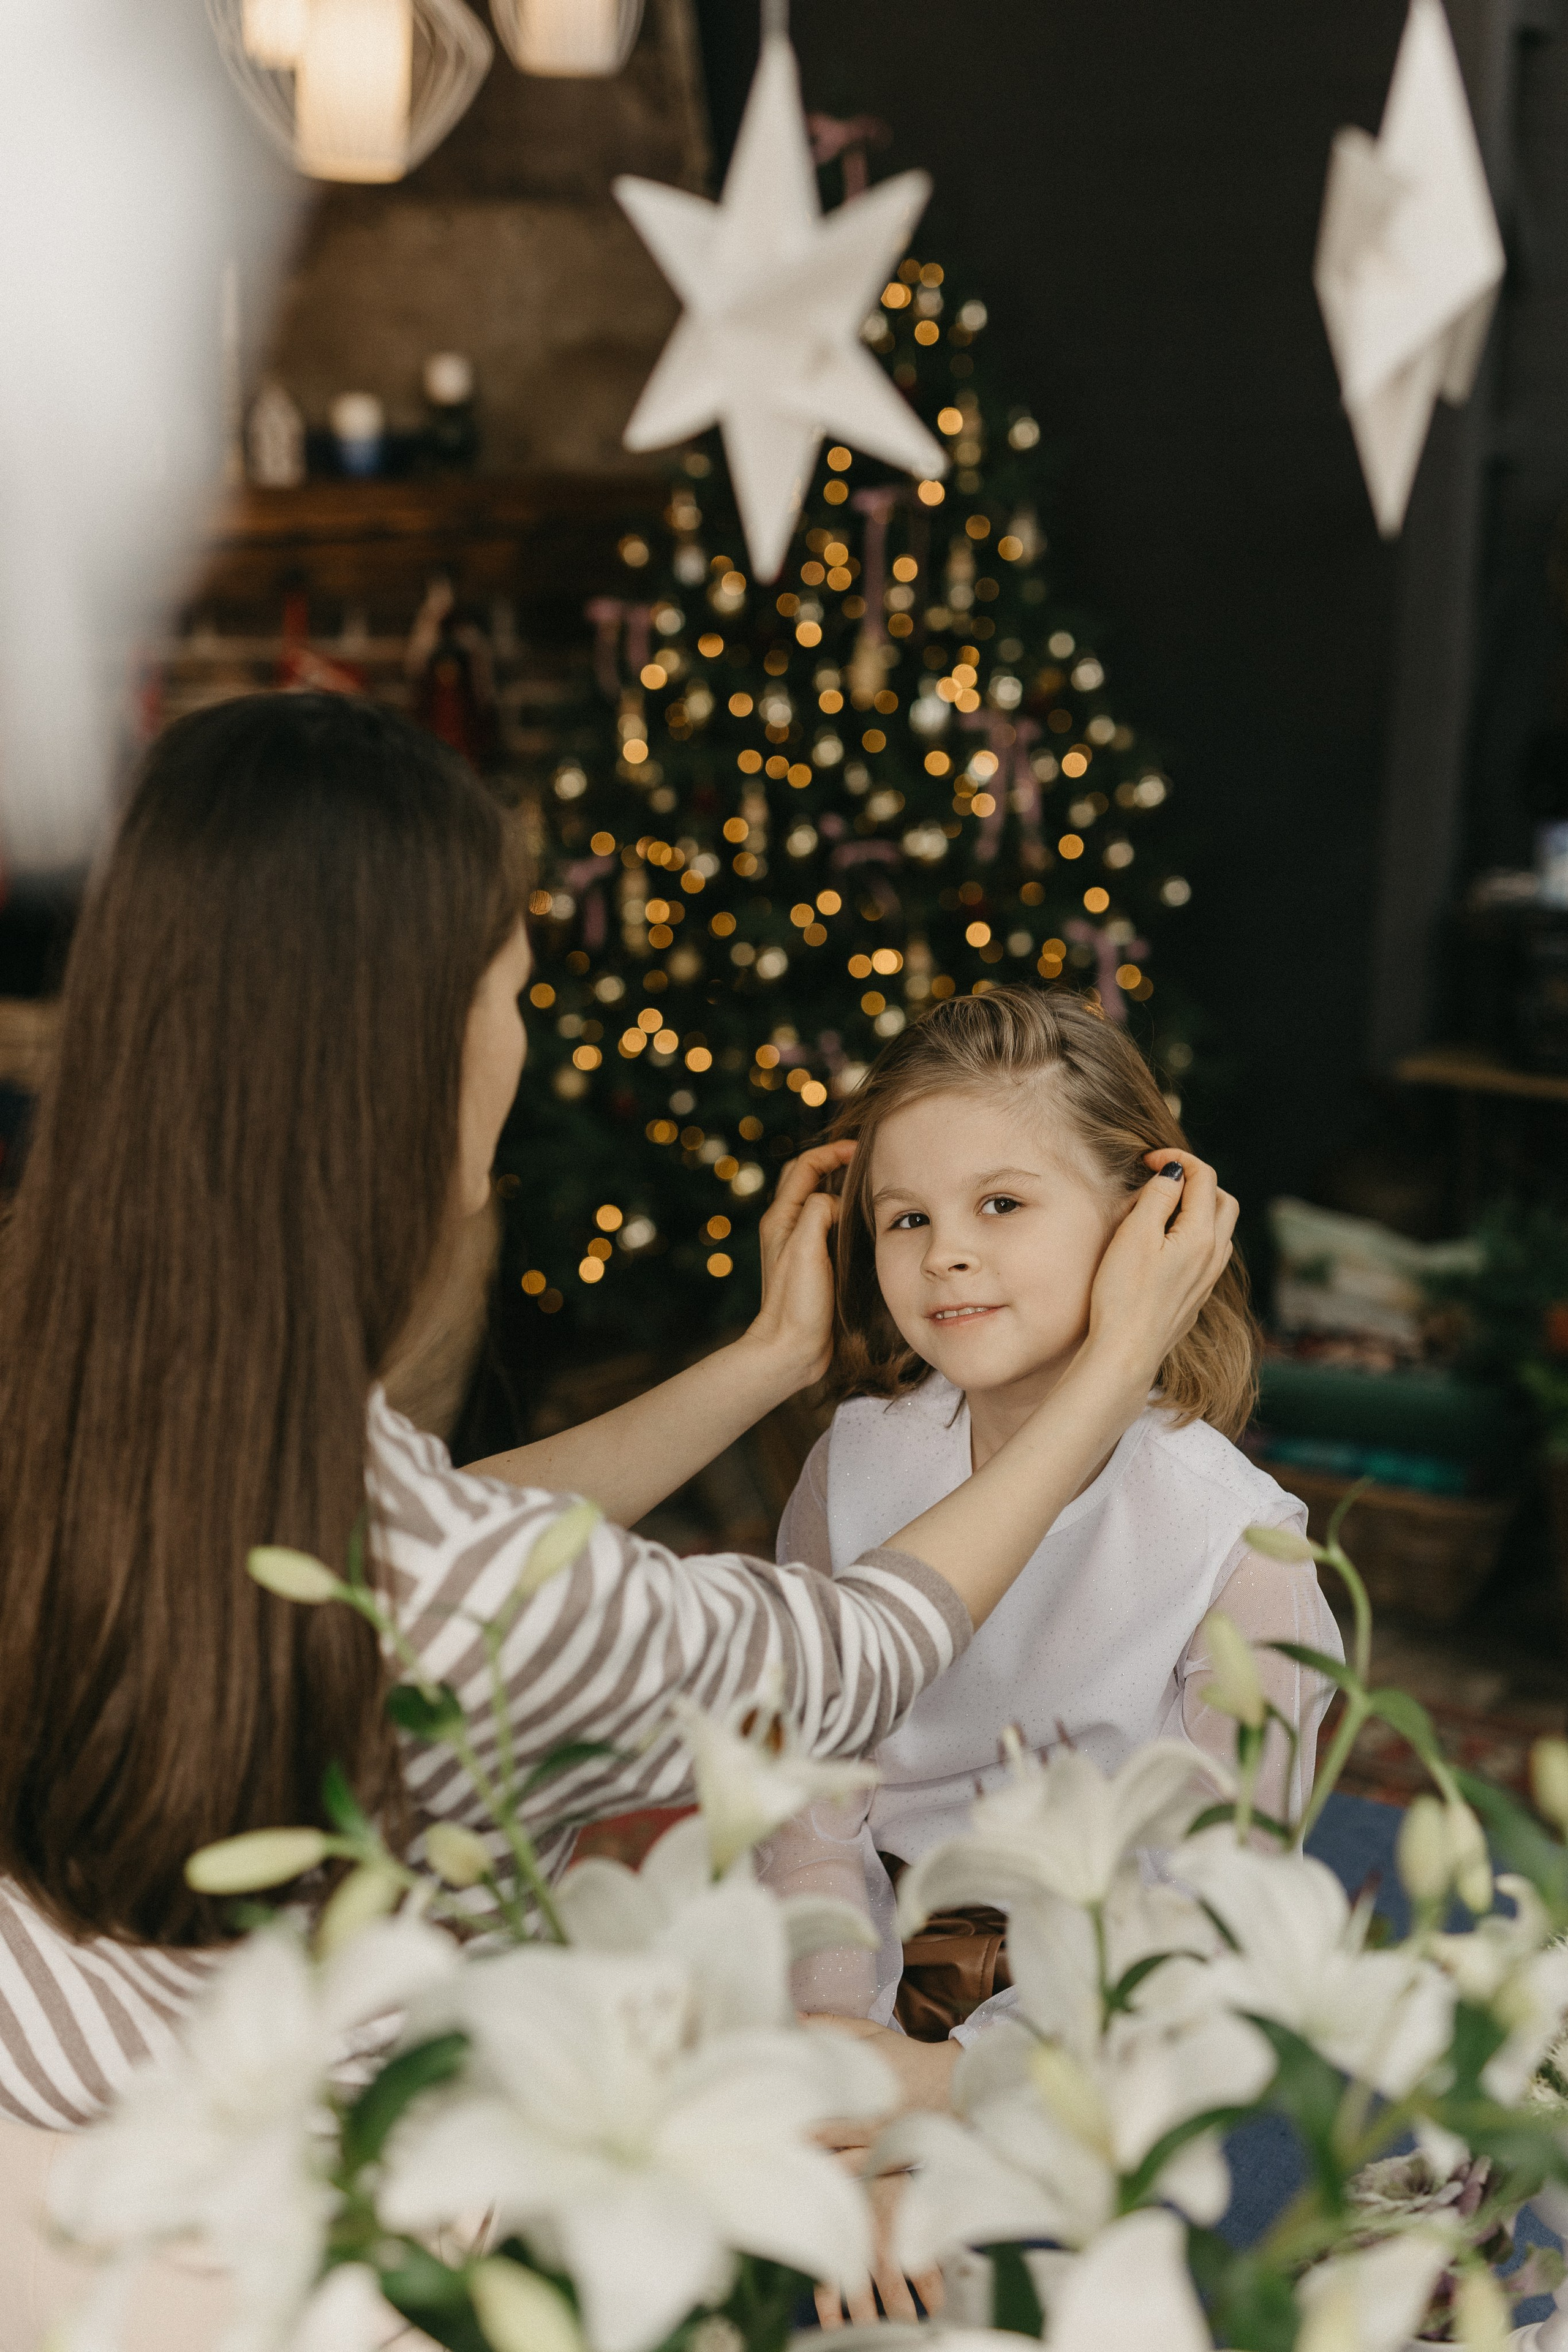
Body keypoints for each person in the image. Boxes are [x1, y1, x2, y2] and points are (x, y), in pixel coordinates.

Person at [0, 693, 1233, 2230]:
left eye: (1003, 1208)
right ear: (404, 1062)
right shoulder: (491, 1578)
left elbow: (415, 1531)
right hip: (257, 2235)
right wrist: (1114, 1361)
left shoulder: (87, 1376)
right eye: (509, 998)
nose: (523, 1046)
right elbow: (837, 1668)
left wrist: (762, 1364)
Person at [755, 987, 1340, 2116]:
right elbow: (807, 1801)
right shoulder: (855, 1463)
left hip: (1103, 2013)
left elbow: (1219, 1898)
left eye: (1003, 1203)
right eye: (907, 1217)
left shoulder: (1240, 1543)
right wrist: (843, 2039)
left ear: (1143, 1226)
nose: (946, 1257)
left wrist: (957, 2079)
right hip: (856, 1955)